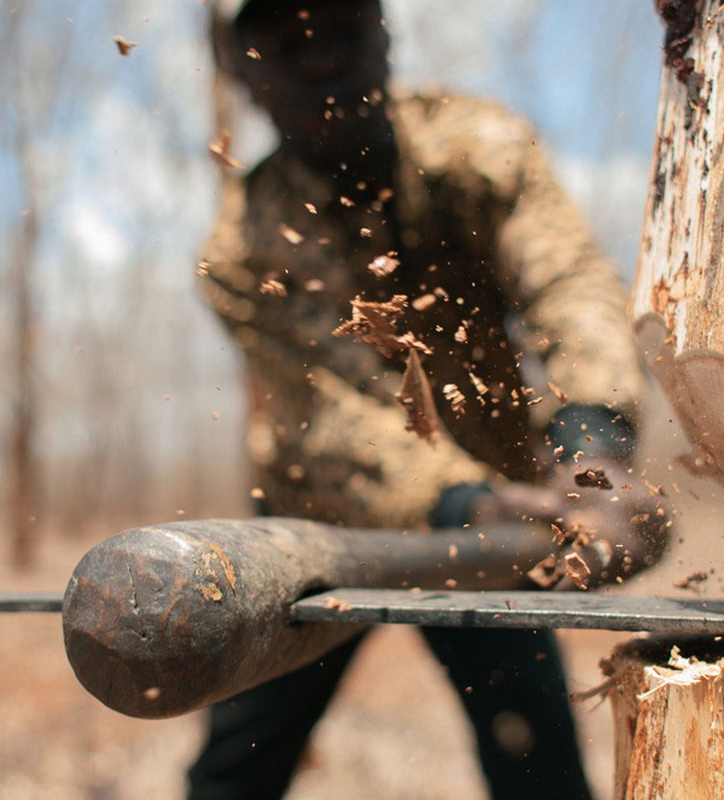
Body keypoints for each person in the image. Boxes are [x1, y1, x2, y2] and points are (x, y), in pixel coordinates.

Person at [189, 1, 668, 797]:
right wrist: (470, 504)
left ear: (383, 34)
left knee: (534, 756)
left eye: (339, 28)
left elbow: (568, 287)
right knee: (236, 771)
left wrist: (594, 453)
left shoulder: (479, 149)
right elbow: (334, 417)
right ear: (240, 67)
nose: (318, 60)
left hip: (496, 523)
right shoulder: (240, 249)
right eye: (284, 40)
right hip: (317, 532)